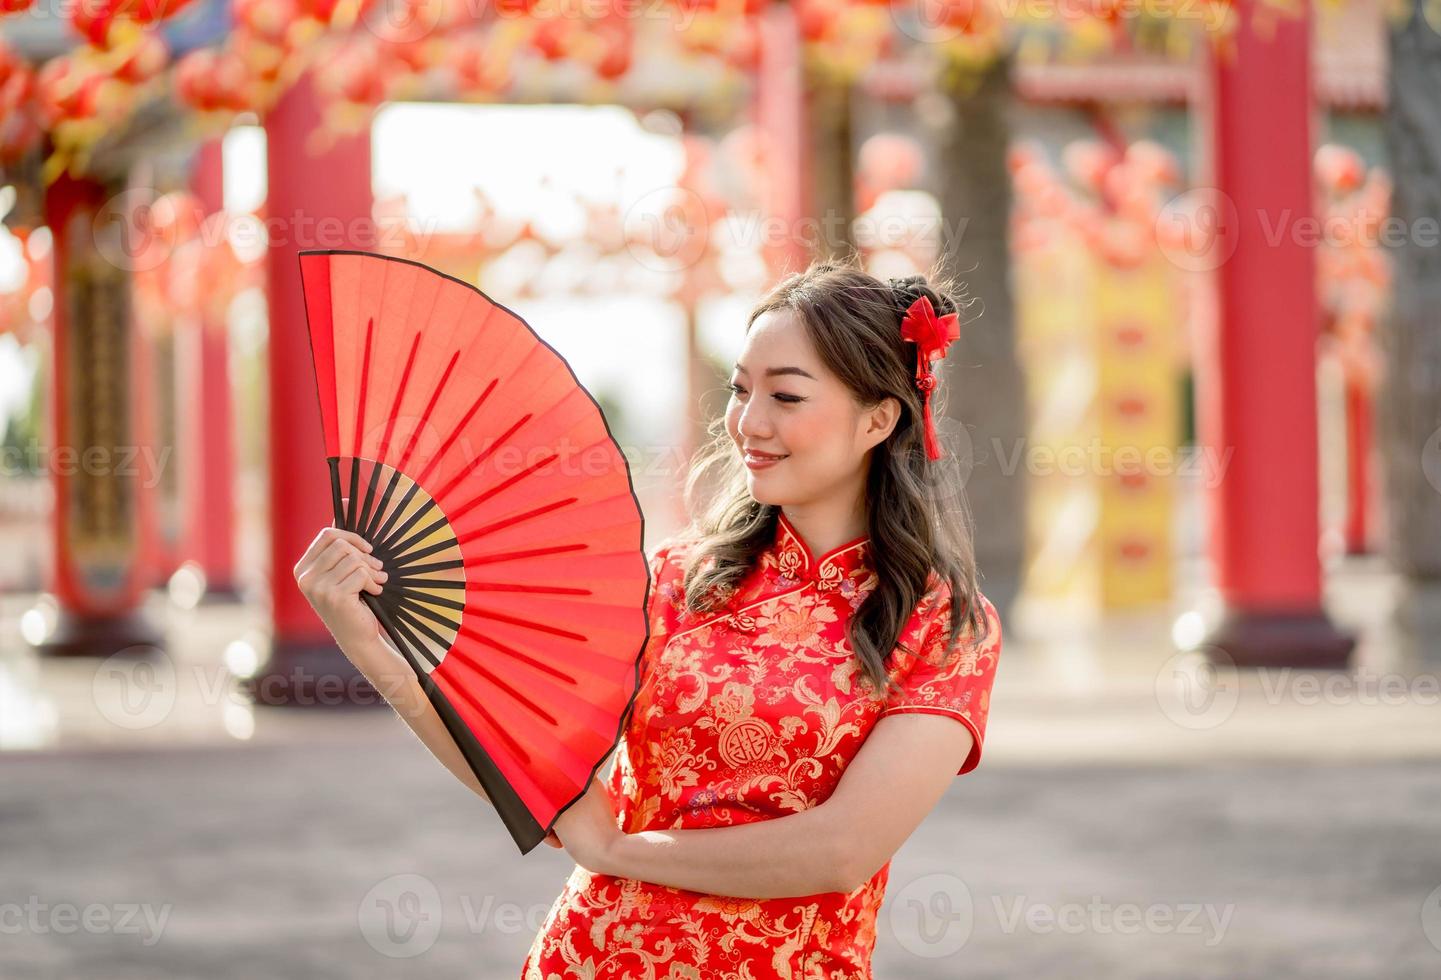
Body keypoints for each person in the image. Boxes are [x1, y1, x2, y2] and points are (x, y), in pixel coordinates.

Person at [295, 257, 1002, 979]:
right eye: (739, 390)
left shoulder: (944, 624)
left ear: (878, 419)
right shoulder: (674, 579)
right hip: (596, 956)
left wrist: (617, 851)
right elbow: (529, 767)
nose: (747, 423)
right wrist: (371, 645)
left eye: (785, 396)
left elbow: (844, 850)